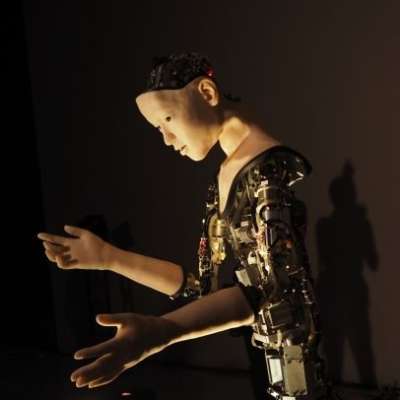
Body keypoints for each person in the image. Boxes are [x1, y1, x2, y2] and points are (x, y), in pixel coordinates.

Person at [37, 52, 327, 398]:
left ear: (207, 93)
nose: (167, 139)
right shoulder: (226, 176)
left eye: (168, 119)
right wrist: (110, 258)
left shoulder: (265, 170)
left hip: (295, 370)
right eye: (159, 129)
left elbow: (272, 292)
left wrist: (163, 331)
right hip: (269, 361)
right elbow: (204, 289)